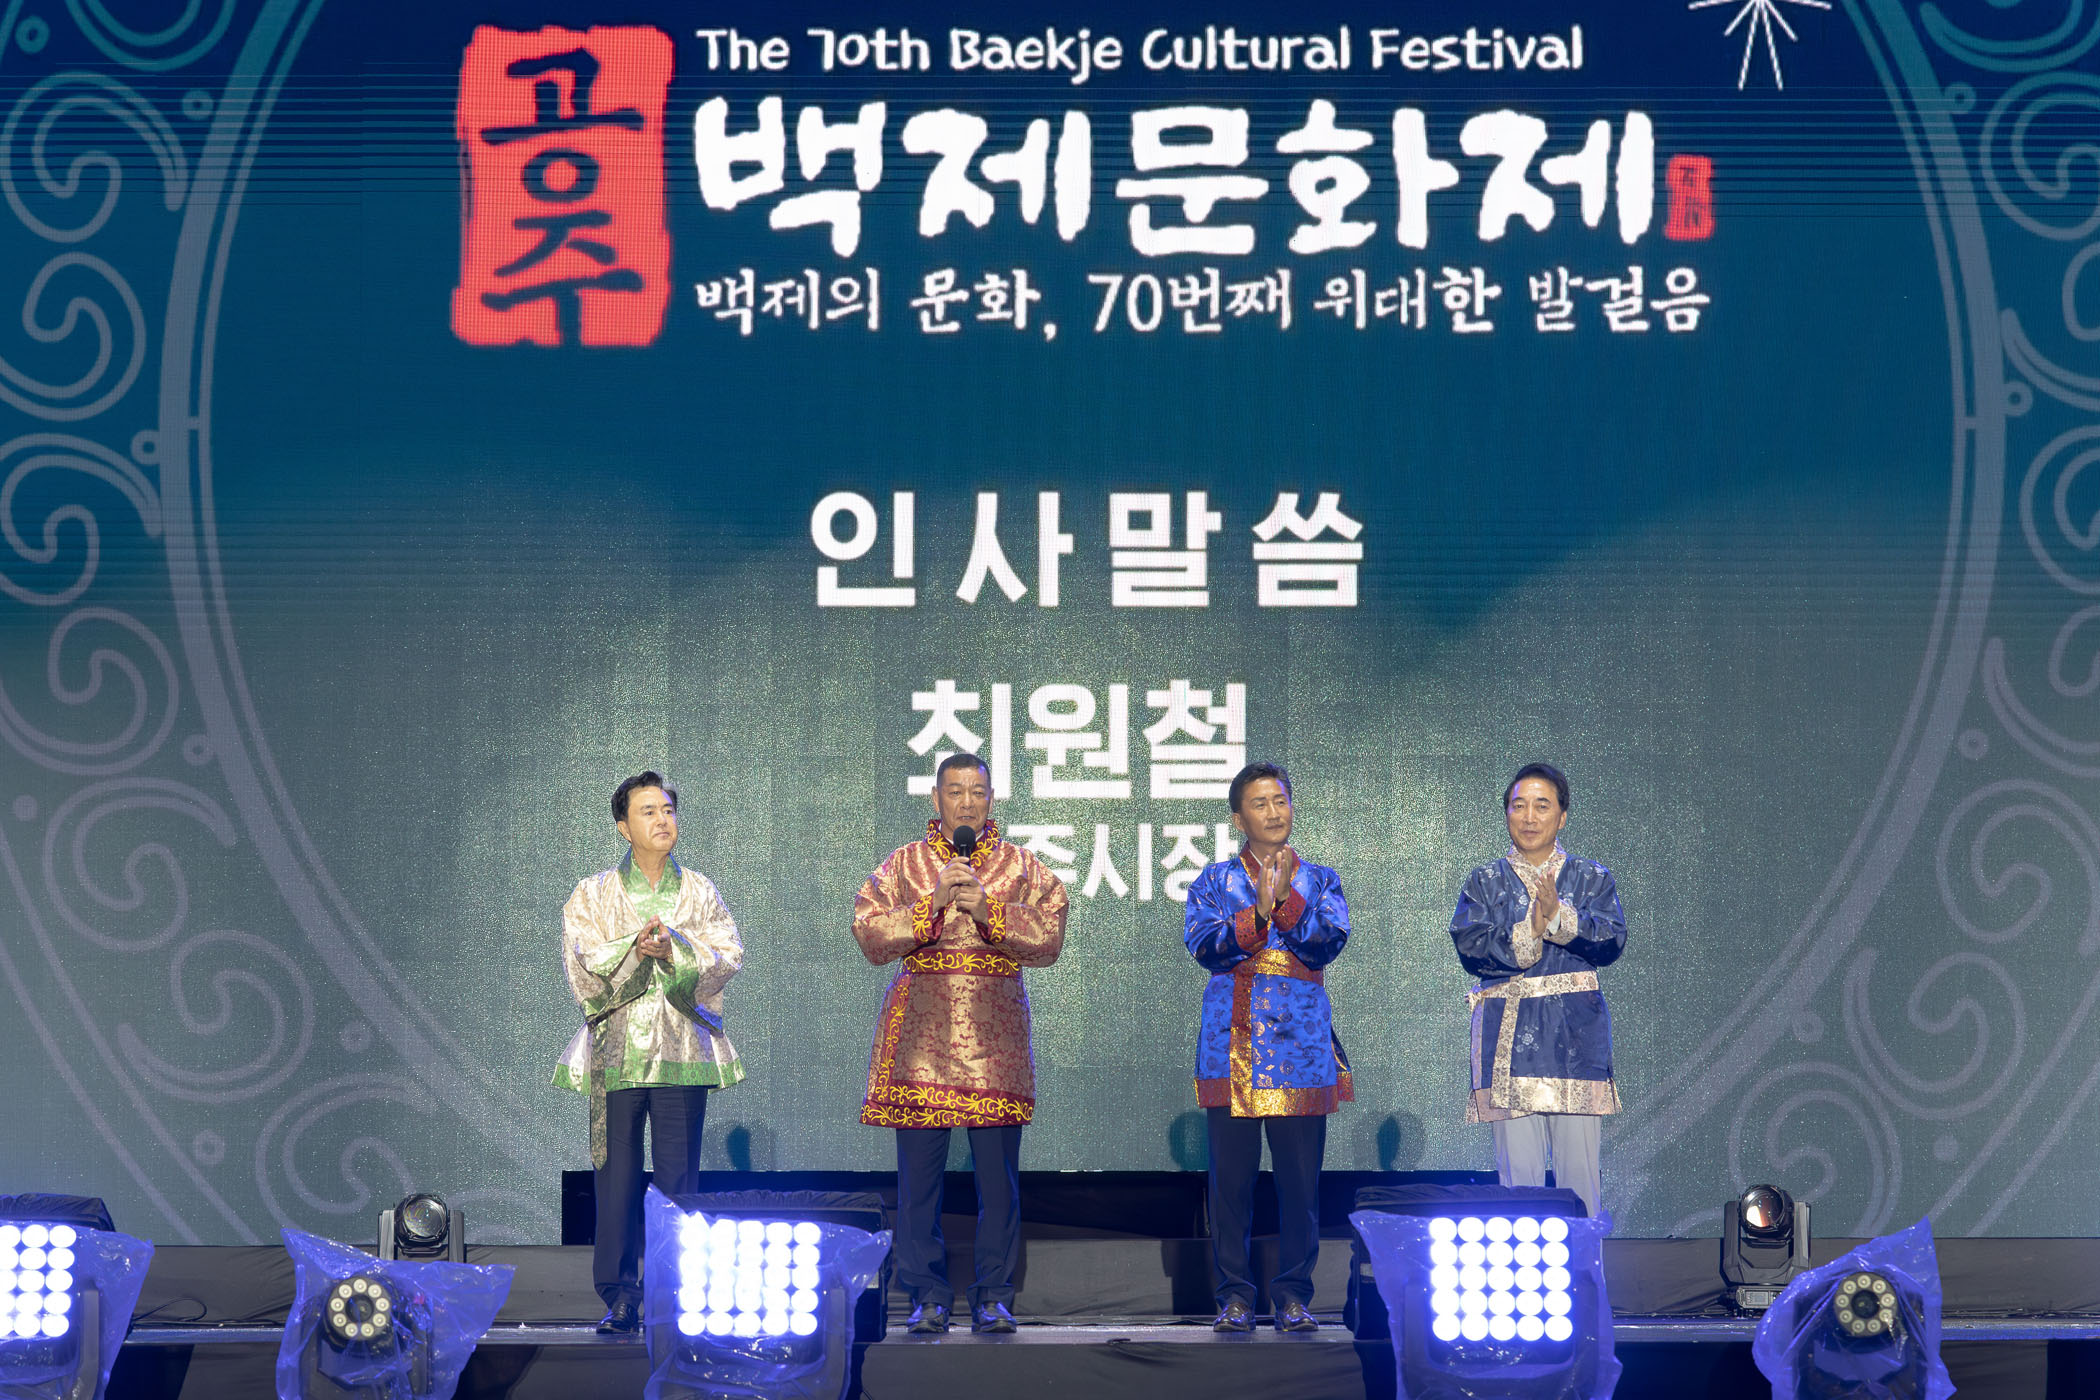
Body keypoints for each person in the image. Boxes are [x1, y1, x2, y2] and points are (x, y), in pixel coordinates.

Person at [852, 752, 1068, 1335]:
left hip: (995, 1038)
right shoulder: (904, 864)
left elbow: (1050, 936)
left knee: (997, 1181)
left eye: (977, 792)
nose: (966, 803)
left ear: (991, 800)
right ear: (936, 799)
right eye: (955, 792)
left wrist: (991, 911)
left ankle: (994, 1294)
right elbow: (869, 933)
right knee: (919, 1182)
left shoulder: (1022, 866)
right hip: (923, 1035)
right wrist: (930, 906)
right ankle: (927, 1294)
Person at [554, 771, 744, 1333]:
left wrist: (676, 948)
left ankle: (674, 1292)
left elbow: (729, 953)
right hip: (618, 1048)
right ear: (623, 827)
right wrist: (636, 948)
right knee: (616, 1180)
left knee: (678, 1180)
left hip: (681, 1046)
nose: (663, 820)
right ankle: (620, 1294)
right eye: (648, 812)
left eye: (668, 810)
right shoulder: (592, 893)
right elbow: (582, 957)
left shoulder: (700, 890)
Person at [1184, 761, 1352, 1333]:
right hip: (1230, 1043)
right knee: (1229, 1184)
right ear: (1239, 818)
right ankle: (1234, 1296)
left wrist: (1286, 903)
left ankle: (1294, 1296)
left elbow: (1328, 943)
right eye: (1260, 803)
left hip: (1301, 1045)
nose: (1274, 812)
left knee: (1299, 1184)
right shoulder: (1213, 881)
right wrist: (1257, 912)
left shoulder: (1321, 880)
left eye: (1280, 800)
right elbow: (1203, 946)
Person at [1447, 762, 1626, 1219]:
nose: (1529, 817)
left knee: (1580, 1179)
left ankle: (1583, 1265)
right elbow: (1471, 946)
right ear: (1506, 813)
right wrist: (1529, 929)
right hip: (1509, 1044)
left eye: (1542, 806)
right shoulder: (1484, 882)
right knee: (1518, 1187)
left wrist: (1560, 917)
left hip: (1574, 1040)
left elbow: (1611, 940)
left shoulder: (1592, 878)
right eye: (1519, 806)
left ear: (1562, 816)